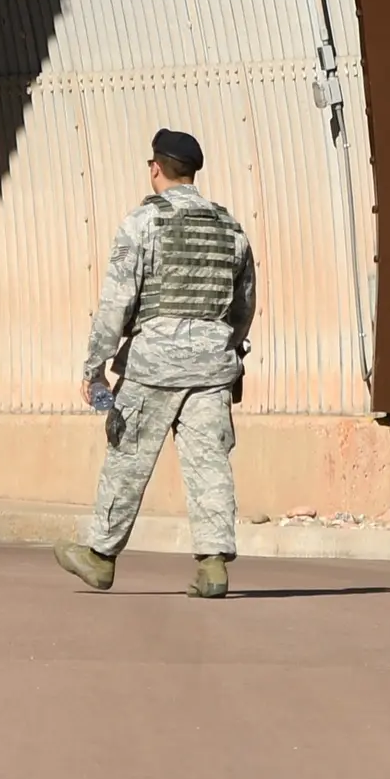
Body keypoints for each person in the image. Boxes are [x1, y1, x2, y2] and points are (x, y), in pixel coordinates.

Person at [55, 127, 254, 598]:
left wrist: (94, 366)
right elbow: (243, 305)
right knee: (209, 465)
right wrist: (230, 352)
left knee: (127, 460)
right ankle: (212, 566)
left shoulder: (142, 223)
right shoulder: (230, 228)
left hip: (153, 365)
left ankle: (100, 557)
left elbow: (116, 303)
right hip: (211, 369)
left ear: (156, 168)